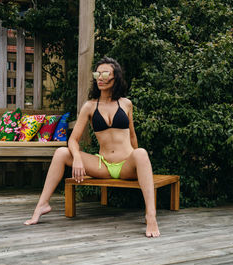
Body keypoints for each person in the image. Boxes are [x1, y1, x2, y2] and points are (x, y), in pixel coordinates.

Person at [24, 56, 160, 237]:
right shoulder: (89, 106)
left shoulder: (126, 103)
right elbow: (73, 140)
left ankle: (151, 216)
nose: (100, 78)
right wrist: (78, 158)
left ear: (115, 77)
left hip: (126, 165)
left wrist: (139, 165)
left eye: (105, 73)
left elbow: (133, 136)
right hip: (103, 165)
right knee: (61, 152)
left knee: (141, 153)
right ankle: (42, 205)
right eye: (98, 73)